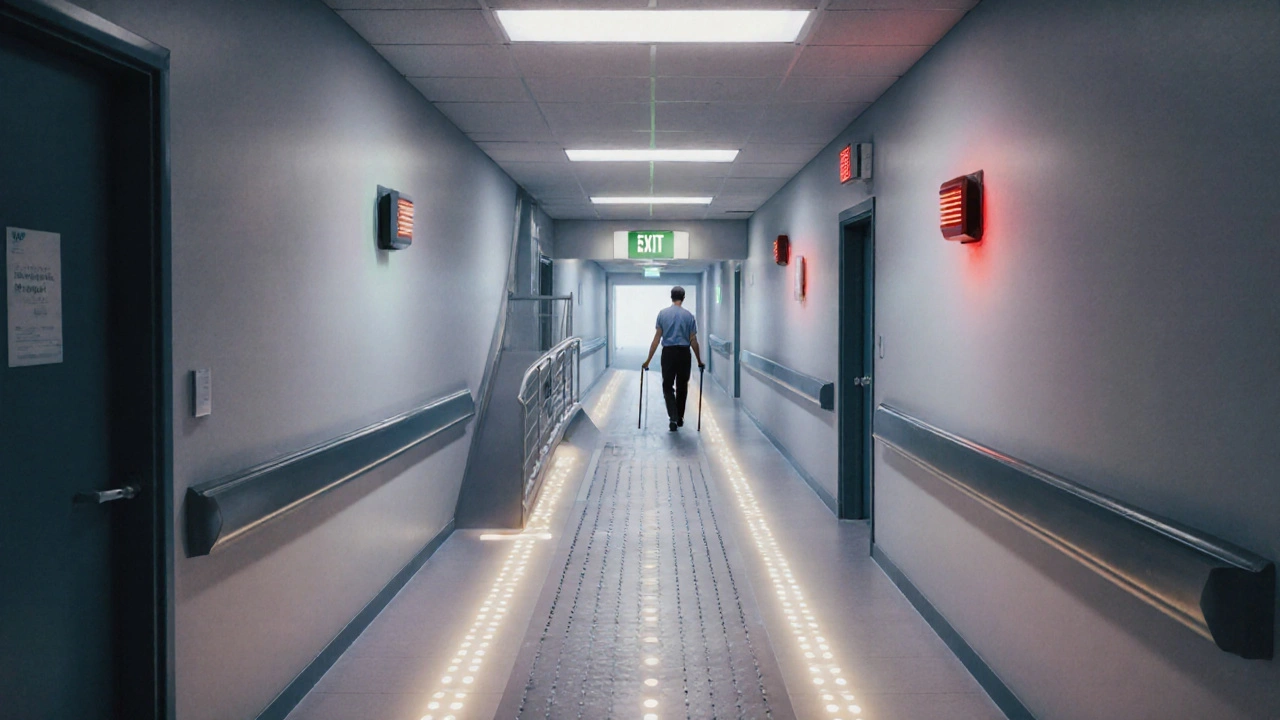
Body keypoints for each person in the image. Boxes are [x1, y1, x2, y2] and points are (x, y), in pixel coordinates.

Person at [642, 286, 704, 432]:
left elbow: (656, 339)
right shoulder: (689, 316)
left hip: (668, 354)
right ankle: (680, 417)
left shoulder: (663, 314)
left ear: (671, 297)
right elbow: (693, 340)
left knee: (667, 386)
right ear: (683, 298)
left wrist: (648, 360)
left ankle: (673, 417)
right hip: (684, 353)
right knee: (682, 386)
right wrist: (699, 360)